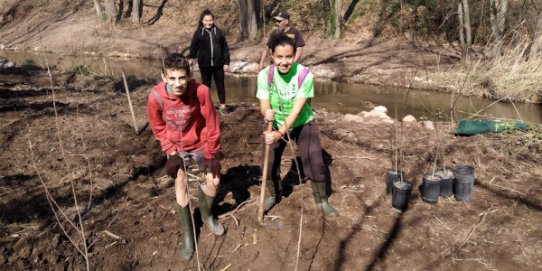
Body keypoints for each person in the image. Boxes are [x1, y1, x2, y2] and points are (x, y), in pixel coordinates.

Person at [147, 53, 224, 261]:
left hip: (200, 143)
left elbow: (212, 123)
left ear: (189, 75)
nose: (178, 83)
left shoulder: (201, 91)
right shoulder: (155, 97)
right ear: (164, 77)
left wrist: (210, 153)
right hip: (176, 147)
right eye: (172, 78)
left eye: (182, 77)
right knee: (180, 182)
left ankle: (207, 215)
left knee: (215, 180)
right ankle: (189, 234)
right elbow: (158, 127)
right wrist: (170, 152)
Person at [256, 34, 338, 217]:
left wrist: (280, 134)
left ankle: (321, 200)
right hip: (275, 123)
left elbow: (296, 111)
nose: (284, 62)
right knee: (267, 163)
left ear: (295, 56)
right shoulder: (264, 75)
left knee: (315, 161)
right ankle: (274, 193)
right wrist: (265, 112)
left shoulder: (304, 75)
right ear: (272, 55)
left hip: (302, 122)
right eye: (279, 57)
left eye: (288, 57)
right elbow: (264, 103)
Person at [189, 9, 230, 115]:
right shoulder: (198, 33)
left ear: (213, 20)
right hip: (204, 64)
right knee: (205, 86)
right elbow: (193, 47)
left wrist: (226, 62)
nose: (208, 23)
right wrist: (192, 58)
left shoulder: (219, 32)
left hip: (218, 64)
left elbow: (225, 48)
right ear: (202, 21)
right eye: (206, 21)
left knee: (220, 85)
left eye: (210, 20)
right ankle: (206, 106)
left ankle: (223, 106)